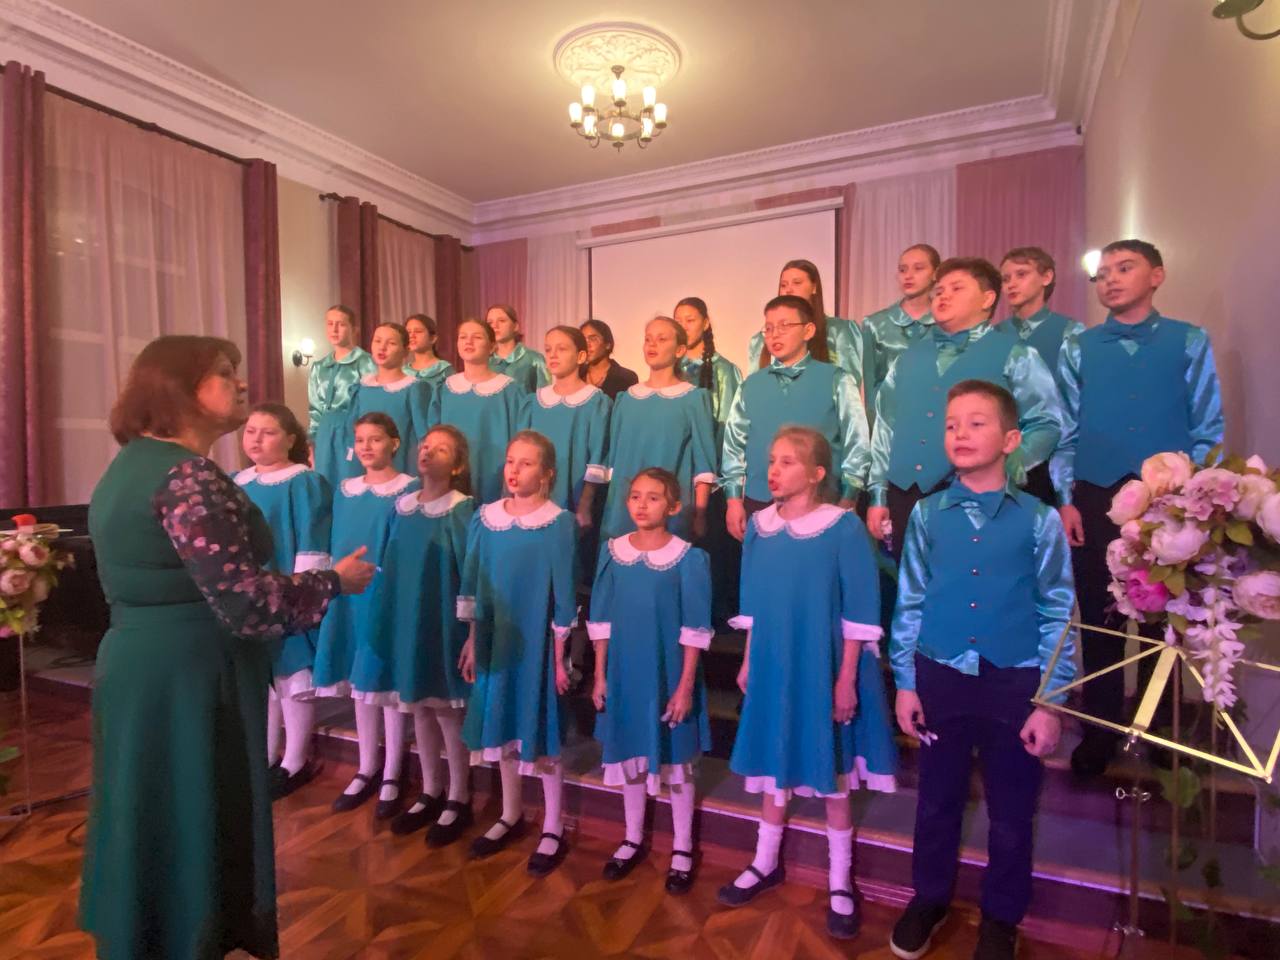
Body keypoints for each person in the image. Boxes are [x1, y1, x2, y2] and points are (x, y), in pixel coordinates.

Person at [82, 335, 373, 960]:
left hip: (139, 665)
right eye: (224, 373)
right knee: (191, 816)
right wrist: (334, 581)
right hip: (188, 675)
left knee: (148, 815)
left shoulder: (129, 465)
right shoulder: (187, 476)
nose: (241, 384)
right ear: (180, 390)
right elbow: (247, 603)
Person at [889, 380, 1076, 960]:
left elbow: (1060, 611)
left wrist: (1051, 701)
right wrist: (905, 682)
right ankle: (929, 898)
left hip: (1014, 683)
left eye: (976, 423)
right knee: (935, 801)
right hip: (940, 676)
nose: (960, 434)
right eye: (951, 425)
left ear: (1011, 439)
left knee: (1012, 813)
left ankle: (1001, 917)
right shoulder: (926, 514)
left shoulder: (1040, 520)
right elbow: (910, 601)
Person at [1052, 239, 1224, 779]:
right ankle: (1100, 730)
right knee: (1099, 616)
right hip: (1094, 494)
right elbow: (1063, 427)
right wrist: (1065, 498)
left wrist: (1196, 497)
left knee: (1162, 618)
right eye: (1103, 272)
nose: (1110, 279)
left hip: (1169, 501)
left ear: (1157, 275)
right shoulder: (1080, 346)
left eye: (1124, 268)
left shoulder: (1188, 340)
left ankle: (1159, 730)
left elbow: (1208, 426)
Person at [721, 427, 896, 942]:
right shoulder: (760, 527)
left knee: (831, 770)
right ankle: (764, 860)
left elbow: (860, 610)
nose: (774, 471)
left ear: (817, 473)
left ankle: (840, 879)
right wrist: (749, 660)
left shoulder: (842, 528)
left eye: (788, 462)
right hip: (775, 660)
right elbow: (754, 603)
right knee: (774, 762)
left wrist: (846, 679)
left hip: (823, 662)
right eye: (771, 461)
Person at [866, 257, 1063, 561]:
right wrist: (879, 494)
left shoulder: (1017, 355)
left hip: (983, 498)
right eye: (939, 290)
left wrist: (1006, 468)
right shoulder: (907, 358)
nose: (943, 296)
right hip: (905, 495)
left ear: (987, 299)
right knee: (912, 582)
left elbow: (1046, 423)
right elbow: (885, 428)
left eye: (956, 288)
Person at [458, 431, 578, 877]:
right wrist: (472, 639)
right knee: (500, 722)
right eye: (511, 461)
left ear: (546, 473)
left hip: (536, 644)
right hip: (495, 639)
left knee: (540, 729)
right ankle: (510, 812)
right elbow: (473, 580)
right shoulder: (485, 518)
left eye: (526, 463)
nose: (514, 470)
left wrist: (561, 654)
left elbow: (564, 591)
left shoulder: (558, 523)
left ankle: (553, 823)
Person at [588, 468, 712, 894]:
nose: (642, 505)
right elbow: (601, 619)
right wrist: (600, 673)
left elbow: (695, 629)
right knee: (631, 754)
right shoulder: (613, 553)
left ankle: (682, 846)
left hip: (667, 673)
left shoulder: (688, 558)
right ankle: (632, 837)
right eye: (636, 496)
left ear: (673, 506)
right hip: (625, 672)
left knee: (676, 763)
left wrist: (684, 686)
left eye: (654, 497)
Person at [369, 425, 477, 845]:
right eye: (426, 446)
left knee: (446, 710)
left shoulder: (460, 509)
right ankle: (430, 789)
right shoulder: (401, 507)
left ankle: (459, 795)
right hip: (407, 620)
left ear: (458, 465)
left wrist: (470, 631)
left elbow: (470, 571)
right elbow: (390, 565)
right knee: (417, 707)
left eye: (442, 449)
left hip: (442, 620)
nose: (428, 453)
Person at [312, 413, 418, 820]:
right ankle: (366, 765)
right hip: (348, 593)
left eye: (376, 439)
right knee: (358, 681)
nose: (367, 447)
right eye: (360, 440)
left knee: (382, 680)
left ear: (394, 443)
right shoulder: (344, 489)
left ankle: (392, 770)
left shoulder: (408, 488)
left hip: (383, 593)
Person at [236, 403, 333, 799]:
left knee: (291, 675)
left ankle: (295, 759)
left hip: (286, 589)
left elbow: (312, 538)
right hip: (249, 591)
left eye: (268, 432)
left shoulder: (303, 482)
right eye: (251, 431)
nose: (257, 439)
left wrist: (302, 590)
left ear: (290, 439)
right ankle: (264, 757)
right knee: (263, 678)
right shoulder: (238, 481)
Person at [722, 295, 870, 540]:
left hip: (820, 501)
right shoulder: (750, 385)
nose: (775, 335)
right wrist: (734, 500)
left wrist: (848, 497)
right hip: (760, 501)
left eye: (784, 326)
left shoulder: (836, 379)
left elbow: (857, 443)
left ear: (808, 331)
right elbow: (733, 447)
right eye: (769, 328)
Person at [599, 317, 718, 542]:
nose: (652, 344)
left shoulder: (692, 398)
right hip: (624, 510)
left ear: (679, 350)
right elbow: (614, 462)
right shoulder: (626, 399)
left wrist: (700, 513)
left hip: (670, 511)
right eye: (648, 339)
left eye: (662, 339)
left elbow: (703, 463)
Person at [999, 246, 1085, 505]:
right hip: (1002, 456)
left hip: (1056, 456)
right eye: (1006, 278)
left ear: (1046, 277)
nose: (1011, 284)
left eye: (1021, 274)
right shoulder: (995, 335)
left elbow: (1077, 400)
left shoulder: (1072, 332)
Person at [518, 325, 611, 529]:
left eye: (561, 349)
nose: (553, 355)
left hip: (574, 498)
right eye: (548, 349)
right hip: (534, 496)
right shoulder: (534, 402)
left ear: (581, 356)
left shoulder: (595, 402)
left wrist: (585, 504)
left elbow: (598, 457)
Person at [431, 318, 526, 504]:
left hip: (494, 474)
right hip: (452, 473)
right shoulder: (446, 388)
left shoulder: (509, 390)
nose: (468, 342)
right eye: (463, 337)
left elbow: (521, 436)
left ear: (492, 347)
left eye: (477, 337)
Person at [746, 259, 862, 388]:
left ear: (814, 287)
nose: (788, 290)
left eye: (797, 283)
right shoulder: (761, 340)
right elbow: (753, 388)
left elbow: (848, 385)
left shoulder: (839, 331)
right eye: (783, 285)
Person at [862, 243, 940, 425]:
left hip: (936, 419)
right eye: (903, 270)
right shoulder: (875, 324)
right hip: (889, 422)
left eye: (918, 268)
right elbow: (870, 386)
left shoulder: (946, 322)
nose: (908, 276)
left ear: (935, 273)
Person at [346, 321, 433, 479]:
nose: (382, 347)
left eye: (391, 343)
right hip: (364, 466)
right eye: (377, 341)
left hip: (402, 467)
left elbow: (423, 435)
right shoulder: (362, 387)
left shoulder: (413, 388)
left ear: (405, 350)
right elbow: (351, 432)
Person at [308, 304, 376, 490]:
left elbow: (371, 403)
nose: (335, 329)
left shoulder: (366, 362)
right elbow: (315, 409)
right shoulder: (319, 367)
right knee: (323, 482)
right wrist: (312, 444)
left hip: (353, 428)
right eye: (330, 324)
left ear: (354, 329)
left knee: (351, 480)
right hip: (325, 431)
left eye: (341, 324)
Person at [674, 297, 743, 448]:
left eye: (690, 320)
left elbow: (728, 428)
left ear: (705, 323)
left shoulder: (724, 370)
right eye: (678, 322)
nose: (683, 327)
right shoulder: (671, 368)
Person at [487, 303, 550, 393]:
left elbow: (545, 394)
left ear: (515, 326)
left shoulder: (534, 359)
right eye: (490, 323)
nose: (494, 326)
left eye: (501, 321)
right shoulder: (485, 361)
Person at [581, 318, 639, 399]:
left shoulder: (626, 378)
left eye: (593, 339)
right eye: (583, 340)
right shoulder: (577, 375)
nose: (587, 344)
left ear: (608, 344)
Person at [404, 313, 454, 387]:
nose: (411, 336)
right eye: (408, 332)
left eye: (418, 331)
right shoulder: (404, 371)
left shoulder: (444, 369)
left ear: (432, 338)